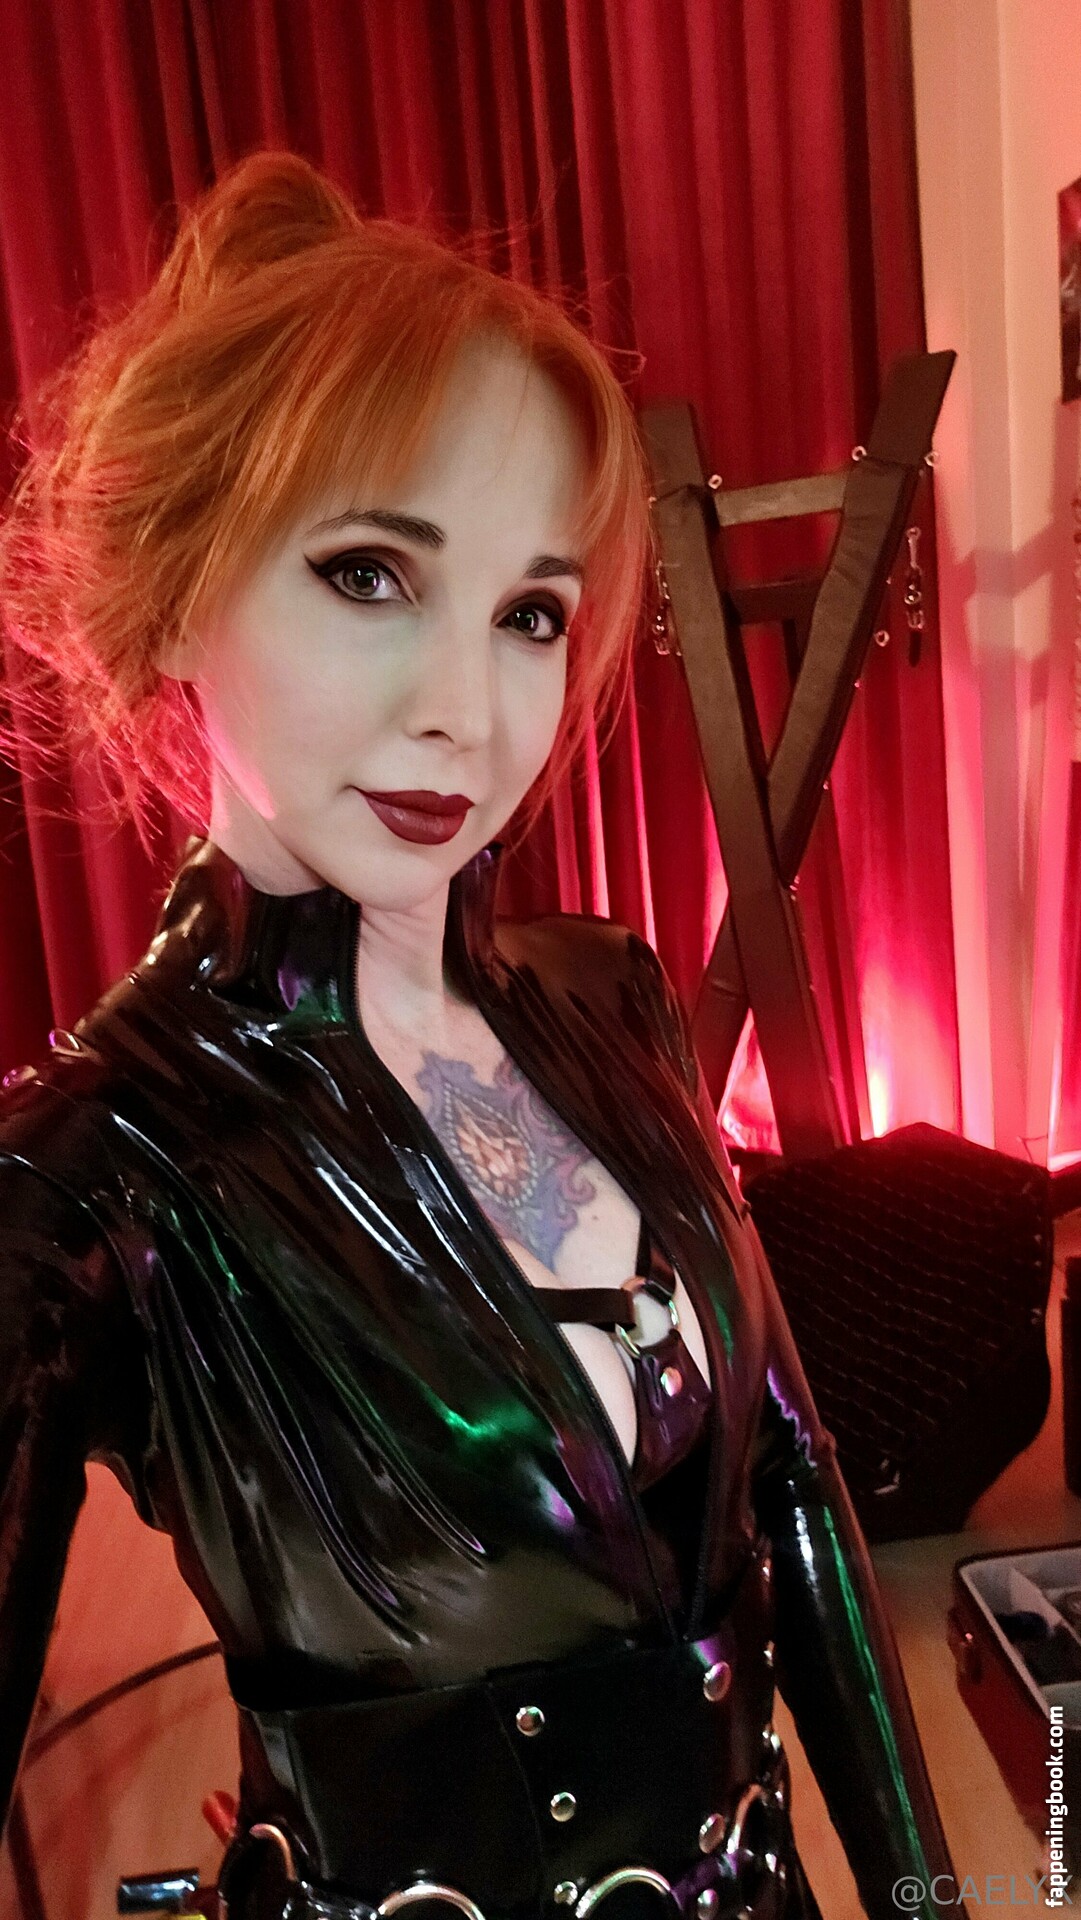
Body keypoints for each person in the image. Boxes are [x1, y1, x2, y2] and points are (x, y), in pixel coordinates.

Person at [0, 153, 953, 1920]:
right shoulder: (90, 1174)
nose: (466, 709)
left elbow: (793, 1493)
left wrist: (926, 1900)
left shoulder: (606, 997)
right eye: (369, 573)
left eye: (529, 614)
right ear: (179, 588)